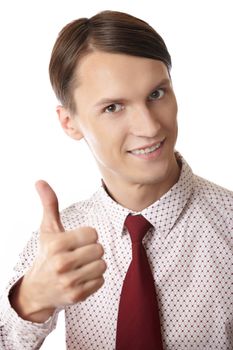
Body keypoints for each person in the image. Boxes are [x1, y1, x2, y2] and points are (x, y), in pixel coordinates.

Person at [0, 9, 232, 350]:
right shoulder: (57, 246)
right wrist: (30, 301)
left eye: (156, 94)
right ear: (69, 123)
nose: (150, 127)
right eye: (113, 107)